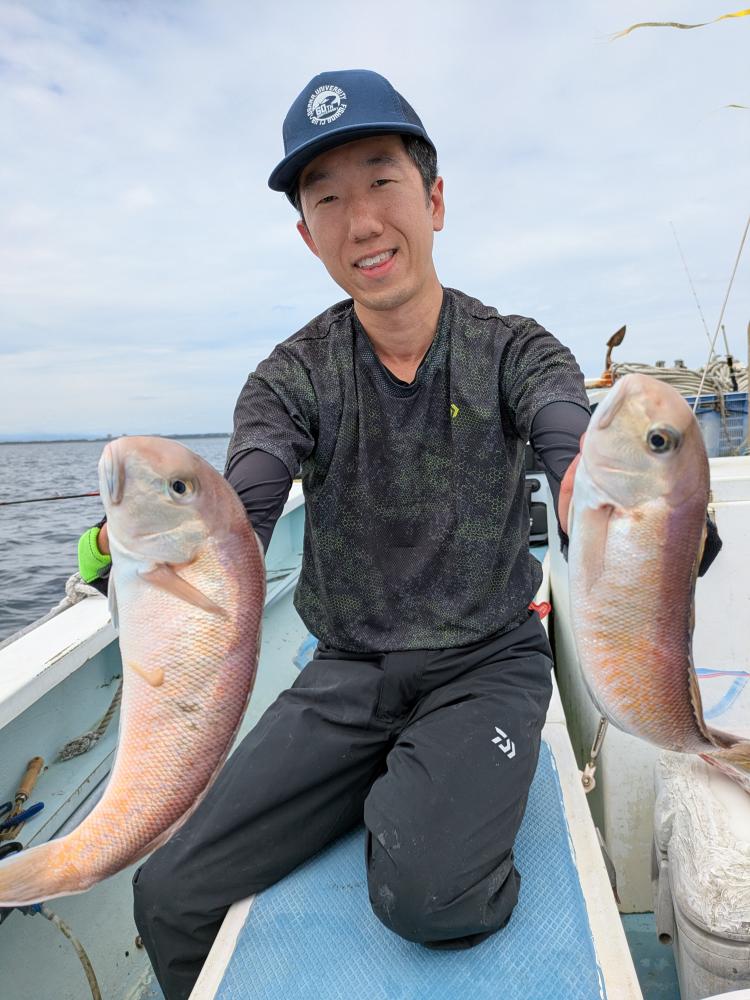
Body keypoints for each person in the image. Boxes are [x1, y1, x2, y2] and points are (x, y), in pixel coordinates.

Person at [76, 69, 717, 999]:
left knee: (431, 895)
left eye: (382, 180)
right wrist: (133, 543)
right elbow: (240, 507)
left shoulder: (514, 347)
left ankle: (430, 788)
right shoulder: (291, 375)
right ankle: (397, 780)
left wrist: (635, 503)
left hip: (486, 662)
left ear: (435, 199)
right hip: (347, 675)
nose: (362, 221)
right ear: (308, 235)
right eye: (327, 199)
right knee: (171, 894)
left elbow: (567, 435)